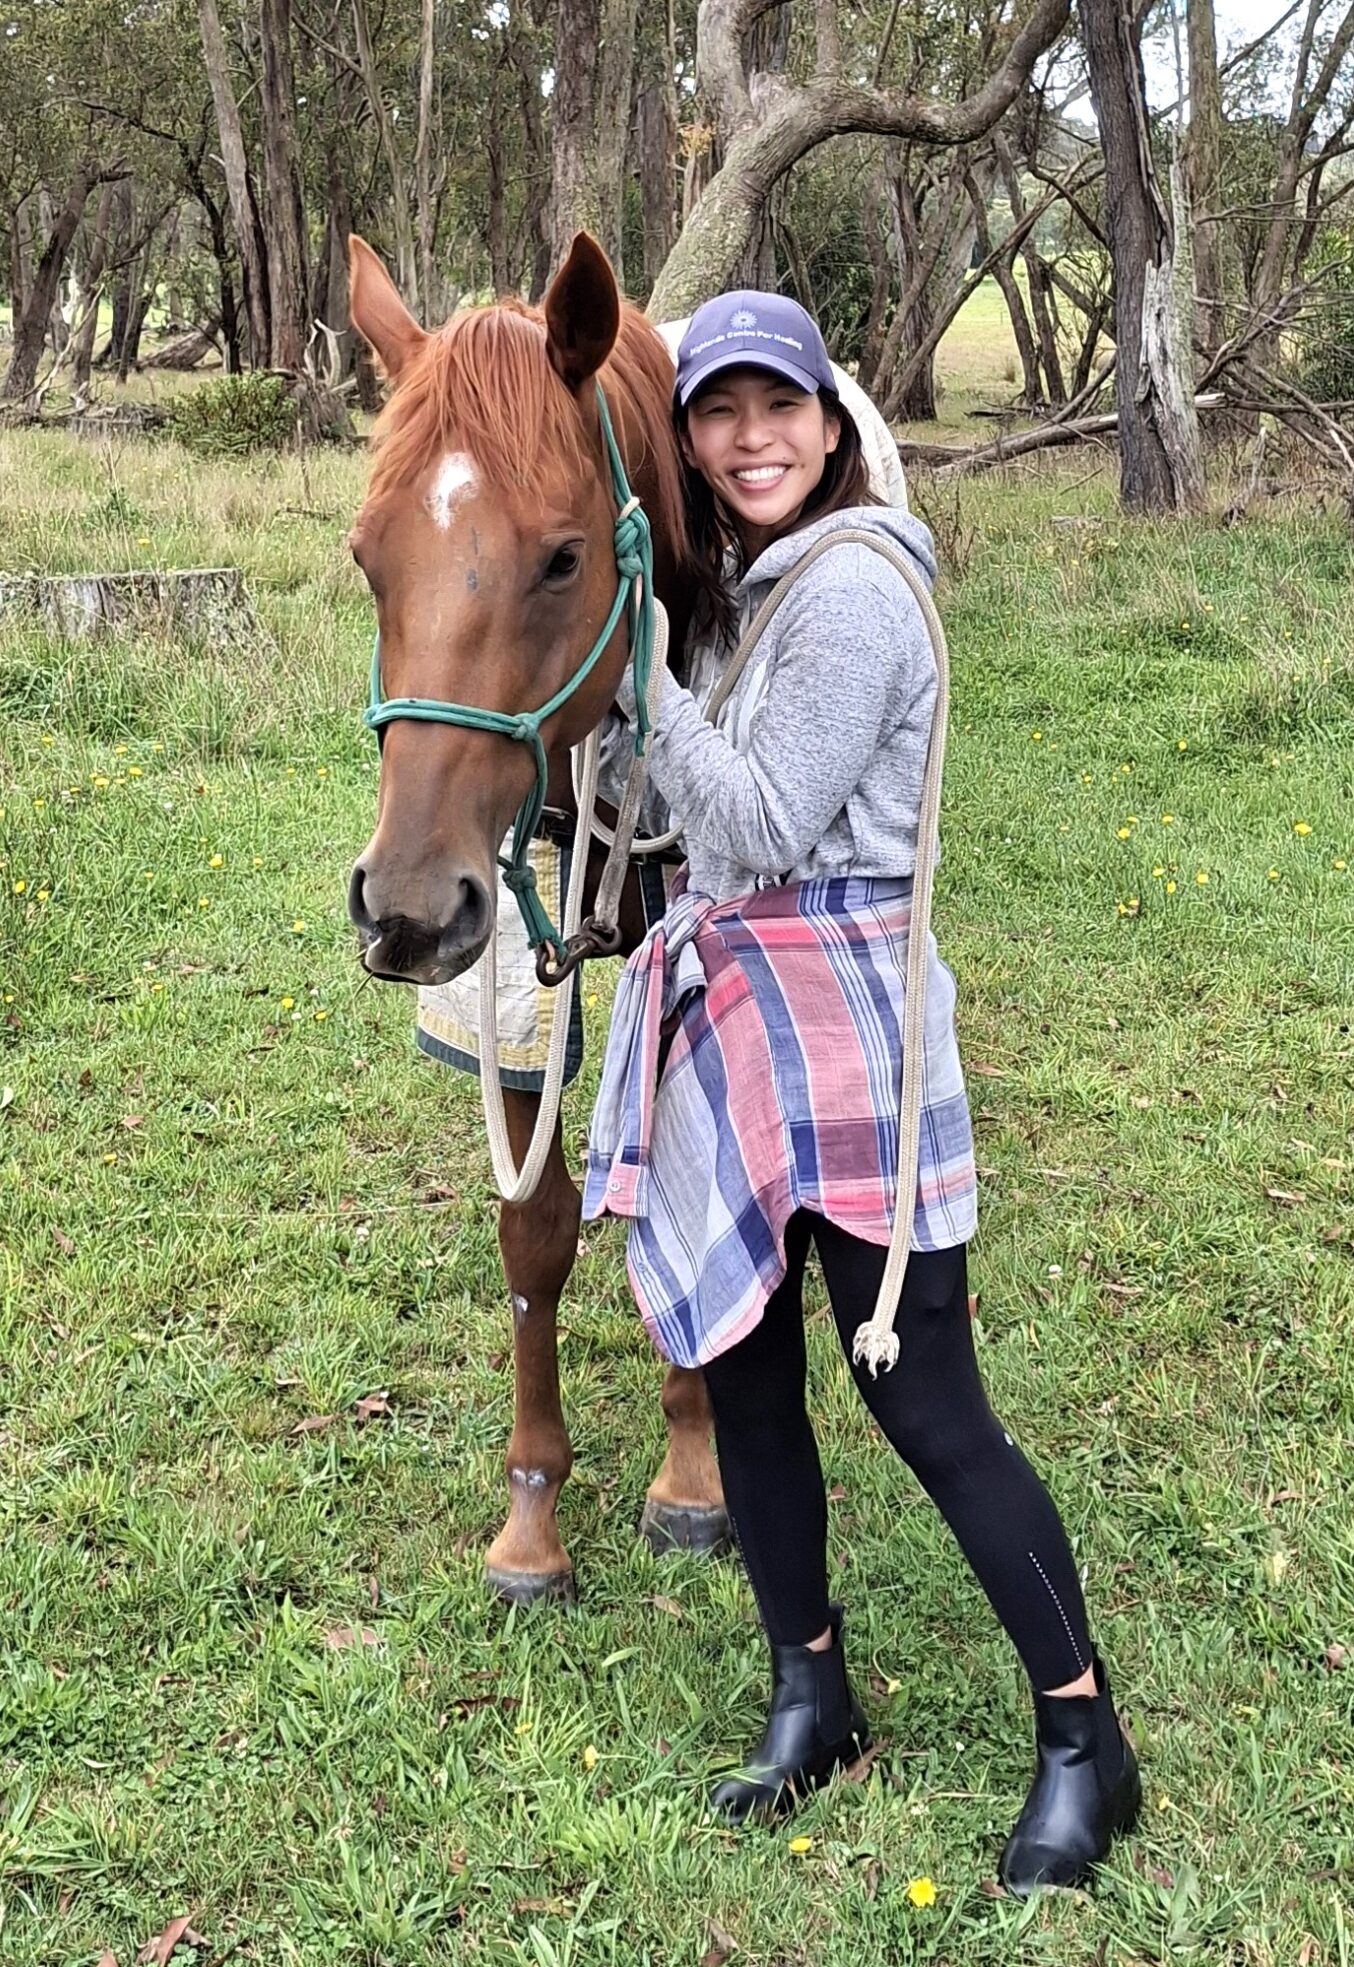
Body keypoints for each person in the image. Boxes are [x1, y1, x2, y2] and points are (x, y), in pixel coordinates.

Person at [582, 292, 1142, 1893]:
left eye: (782, 408)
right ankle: (810, 1693)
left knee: (926, 1403)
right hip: (737, 1026)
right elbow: (663, 806)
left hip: (851, 1031)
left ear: (831, 427)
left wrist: (645, 678)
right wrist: (614, 698)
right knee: (747, 1381)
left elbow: (758, 823)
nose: (752, 438)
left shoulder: (853, 589)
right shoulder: (740, 592)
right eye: (719, 412)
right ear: (690, 439)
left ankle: (1085, 1736)